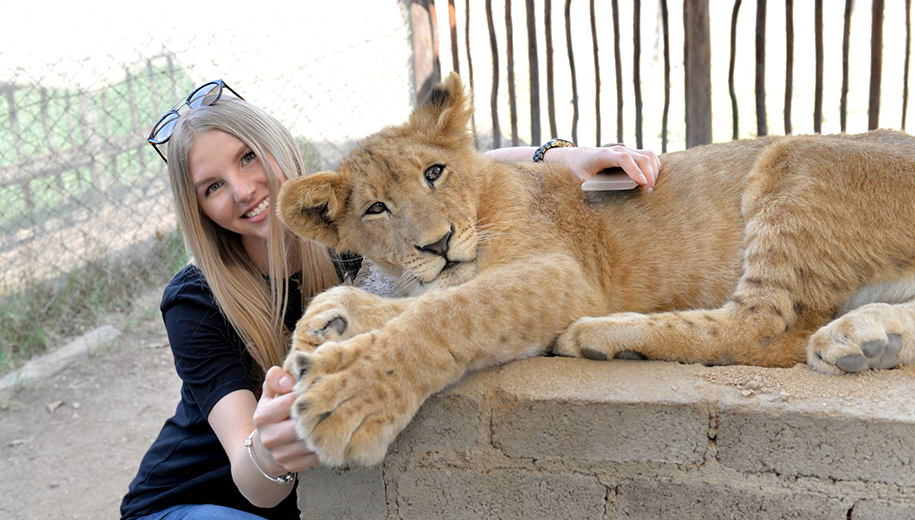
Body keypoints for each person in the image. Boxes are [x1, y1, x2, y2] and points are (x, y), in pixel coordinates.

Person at [119, 79, 660, 520]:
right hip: (198, 503)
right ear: (196, 208)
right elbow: (251, 477)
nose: (241, 190)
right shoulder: (194, 300)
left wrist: (561, 156)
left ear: (277, 149)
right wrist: (271, 445)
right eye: (211, 186)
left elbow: (431, 170)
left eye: (246, 158)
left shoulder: (357, 236)